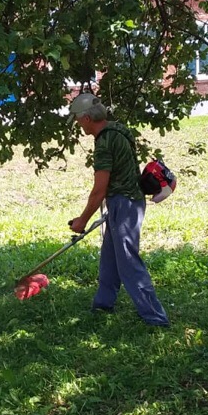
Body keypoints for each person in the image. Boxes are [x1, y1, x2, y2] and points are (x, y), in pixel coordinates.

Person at [66, 93, 170, 327]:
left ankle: (156, 318)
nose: (78, 124)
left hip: (124, 204)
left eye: (78, 120)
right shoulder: (118, 130)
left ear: (86, 118)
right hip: (127, 201)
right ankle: (103, 304)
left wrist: (82, 220)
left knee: (128, 261)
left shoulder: (104, 143)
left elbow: (99, 190)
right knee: (111, 258)